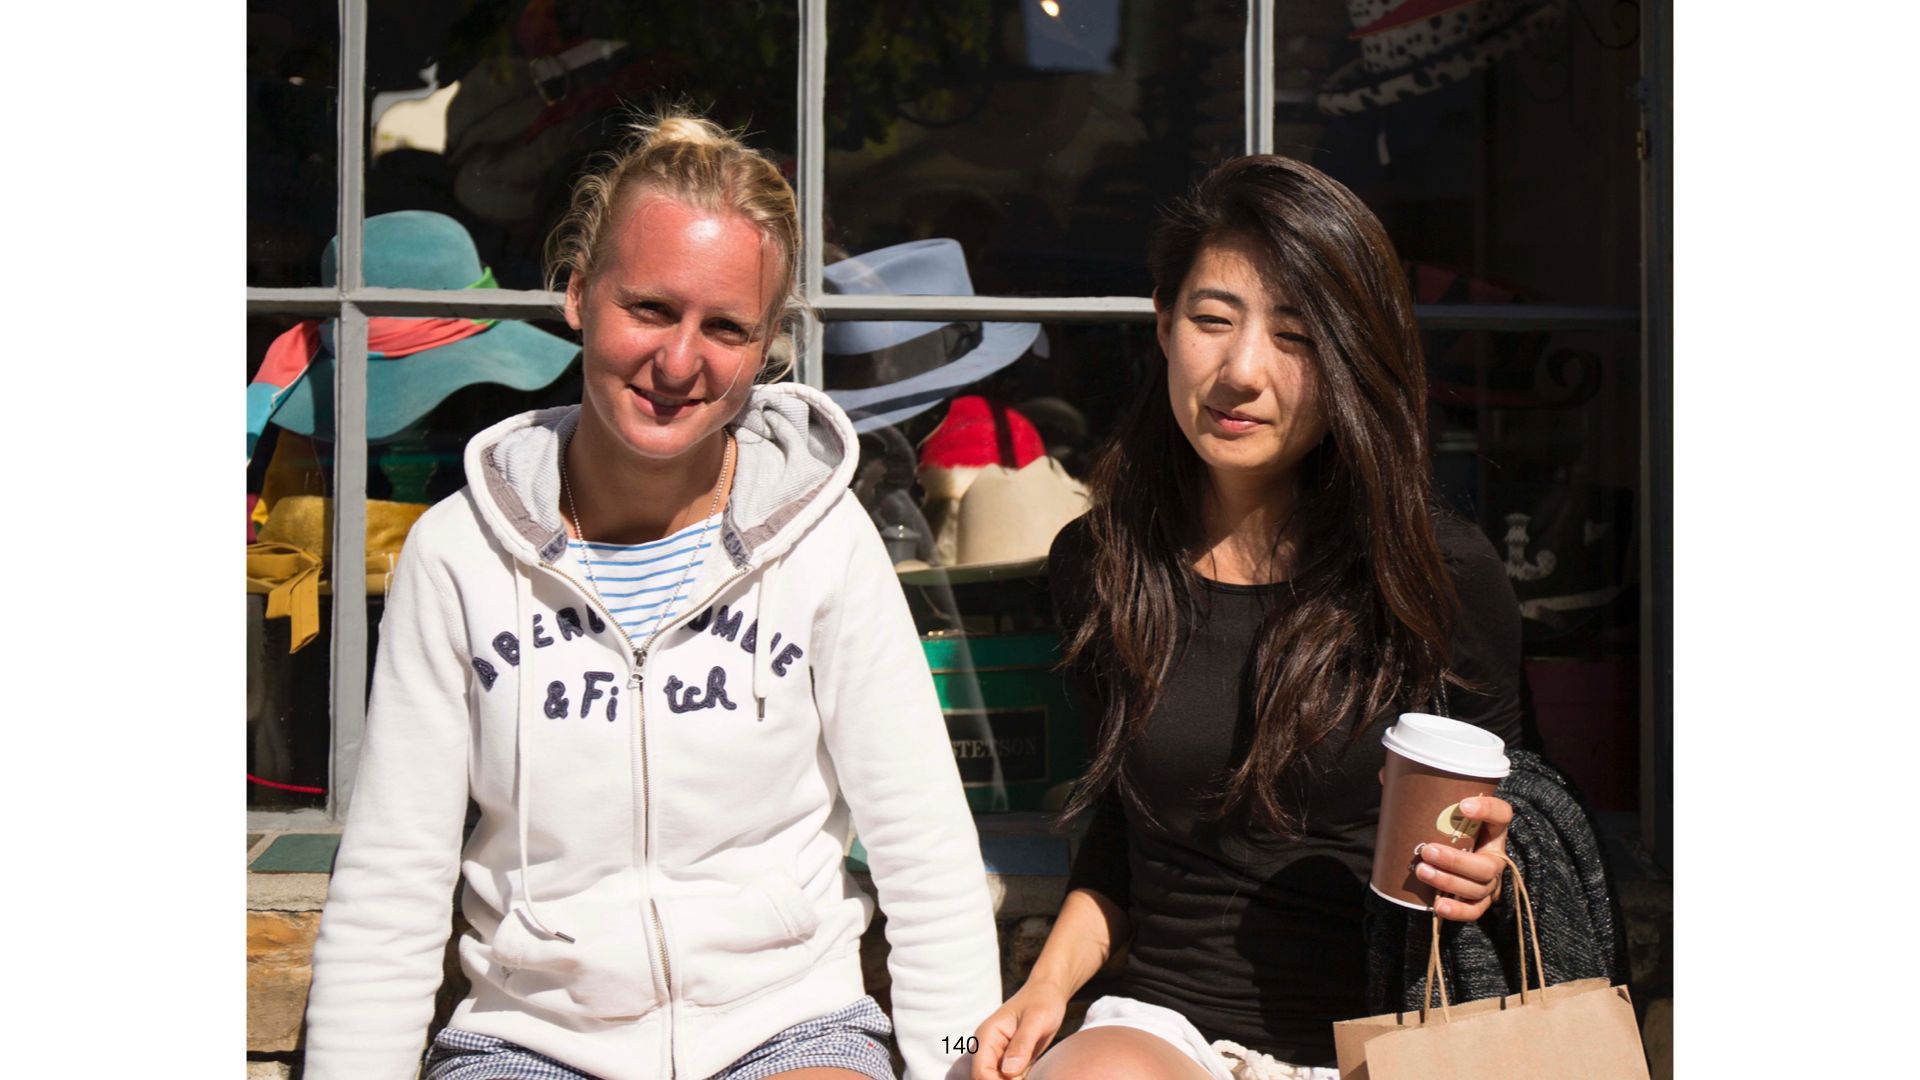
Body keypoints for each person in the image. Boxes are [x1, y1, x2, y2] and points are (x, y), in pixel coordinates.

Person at [302, 111, 1003, 1080]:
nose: (679, 362)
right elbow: (391, 885)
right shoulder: (459, 555)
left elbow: (927, 852)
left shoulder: (825, 543)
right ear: (578, 293)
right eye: (650, 309)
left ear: (767, 345)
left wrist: (960, 1064)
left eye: (726, 327)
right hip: (529, 1041)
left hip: (788, 1030)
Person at [969, 156, 1528, 1080]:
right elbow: (1119, 837)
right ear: (1163, 323)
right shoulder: (1102, 565)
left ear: (1350, 357)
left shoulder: (1436, 572)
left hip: (1396, 1036)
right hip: (1167, 1027)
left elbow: (1521, 810)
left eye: (1296, 335)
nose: (1241, 372)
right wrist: (1044, 989)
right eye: (1212, 320)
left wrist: (1495, 862)